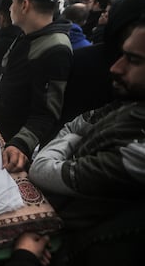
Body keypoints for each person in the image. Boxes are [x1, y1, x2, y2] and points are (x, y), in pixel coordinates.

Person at [29, 19, 145, 266]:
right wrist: (74, 137)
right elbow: (75, 125)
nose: (115, 67)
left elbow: (42, 171)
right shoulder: (130, 106)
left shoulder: (138, 151)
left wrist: (70, 140)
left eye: (134, 60)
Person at [0, 0, 72, 172]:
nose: (10, 8)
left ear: (24, 5)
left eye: (13, 2)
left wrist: (20, 144)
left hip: (9, 144)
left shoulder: (55, 49)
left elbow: (46, 113)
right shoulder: (29, 34)